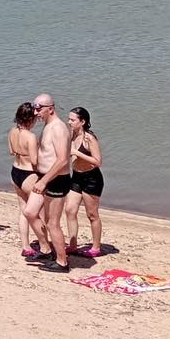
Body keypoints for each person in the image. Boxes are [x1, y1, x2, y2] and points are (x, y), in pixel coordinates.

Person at [28, 94, 72, 272]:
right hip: (43, 177)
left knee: (52, 222)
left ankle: (62, 262)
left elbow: (62, 160)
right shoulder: (48, 126)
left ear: (50, 109)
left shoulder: (58, 128)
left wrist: (44, 181)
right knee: (30, 212)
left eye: (39, 109)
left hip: (55, 179)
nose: (36, 112)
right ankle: (46, 249)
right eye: (35, 108)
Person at [8, 101, 48, 258]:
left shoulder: (12, 131)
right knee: (40, 212)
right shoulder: (30, 137)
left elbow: (12, 151)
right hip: (29, 174)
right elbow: (34, 161)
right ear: (31, 119)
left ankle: (25, 245)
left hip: (15, 171)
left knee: (23, 210)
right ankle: (43, 242)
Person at [65, 107, 105, 257]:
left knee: (92, 214)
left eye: (72, 120)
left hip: (91, 178)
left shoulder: (89, 138)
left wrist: (77, 153)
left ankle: (96, 247)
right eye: (69, 119)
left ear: (82, 122)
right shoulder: (71, 134)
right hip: (76, 177)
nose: (69, 122)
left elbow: (98, 161)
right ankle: (73, 245)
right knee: (70, 209)